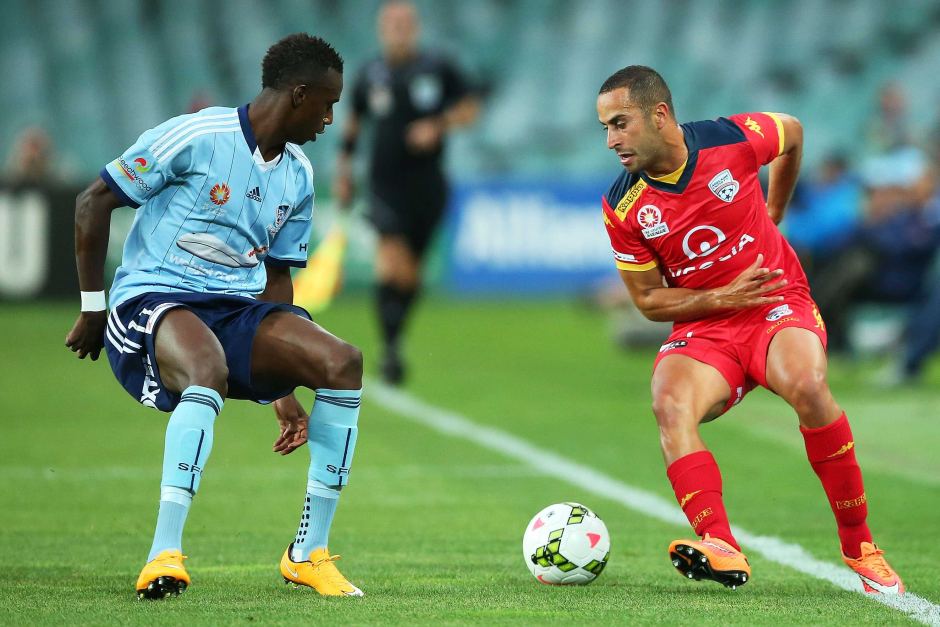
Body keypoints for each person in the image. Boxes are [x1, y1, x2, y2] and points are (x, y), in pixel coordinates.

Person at [65, 33, 365, 599]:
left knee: (342, 362)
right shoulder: (198, 136)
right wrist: (91, 308)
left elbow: (277, 278)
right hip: (153, 298)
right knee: (206, 368)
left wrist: (282, 390)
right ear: (298, 94)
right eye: (327, 104)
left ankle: (309, 553)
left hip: (234, 310)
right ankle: (163, 554)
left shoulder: (298, 175)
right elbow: (93, 201)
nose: (329, 119)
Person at [596, 66, 903, 593]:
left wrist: (775, 206)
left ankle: (860, 546)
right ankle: (720, 543)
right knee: (670, 405)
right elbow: (647, 300)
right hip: (705, 326)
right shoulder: (622, 206)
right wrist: (717, 299)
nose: (611, 140)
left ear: (659, 114)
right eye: (605, 128)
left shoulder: (730, 139)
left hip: (774, 301)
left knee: (807, 385)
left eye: (620, 123)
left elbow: (793, 132)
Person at [333, 0, 479, 384]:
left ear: (415, 28)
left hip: (427, 186)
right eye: (391, 23)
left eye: (404, 23)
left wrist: (438, 124)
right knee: (390, 259)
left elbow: (469, 109)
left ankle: (394, 340)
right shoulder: (370, 73)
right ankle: (390, 350)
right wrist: (344, 170)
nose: (398, 29)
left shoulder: (438, 67)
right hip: (384, 184)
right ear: (382, 29)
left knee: (411, 275)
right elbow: (353, 123)